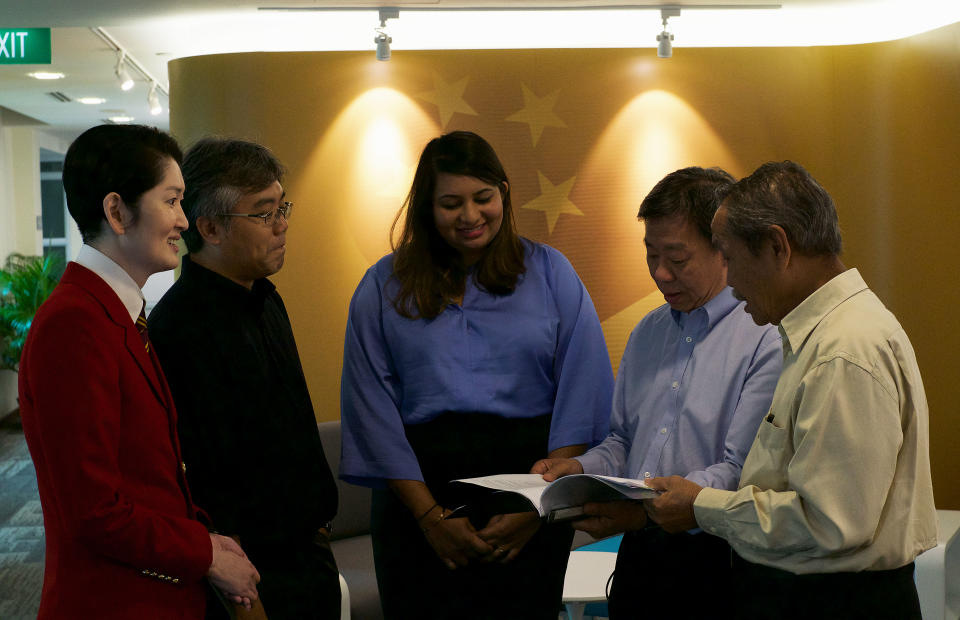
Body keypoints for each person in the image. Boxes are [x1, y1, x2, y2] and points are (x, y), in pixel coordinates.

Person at [339, 130, 613, 619]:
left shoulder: (551, 272)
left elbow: (583, 392)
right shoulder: (384, 284)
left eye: (482, 198)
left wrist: (536, 509)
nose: (469, 216)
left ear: (503, 193)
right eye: (450, 203)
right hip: (417, 500)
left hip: (531, 491)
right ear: (426, 206)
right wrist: (429, 518)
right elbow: (371, 408)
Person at [646, 161, 938, 619]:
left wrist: (702, 505)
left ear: (778, 246)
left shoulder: (843, 350)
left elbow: (830, 523)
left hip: (834, 601)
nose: (730, 278)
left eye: (729, 256)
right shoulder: (826, 334)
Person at [17, 124, 260, 619]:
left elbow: (147, 476)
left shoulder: (112, 310)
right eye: (172, 201)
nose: (184, 222)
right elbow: (94, 510)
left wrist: (207, 539)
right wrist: (205, 554)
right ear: (116, 211)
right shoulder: (75, 323)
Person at [532, 166, 782, 619]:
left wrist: (646, 511)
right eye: (651, 255)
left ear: (723, 248)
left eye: (677, 258)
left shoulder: (763, 334)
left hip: (721, 562)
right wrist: (580, 467)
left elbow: (742, 472)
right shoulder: (648, 331)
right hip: (639, 560)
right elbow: (624, 441)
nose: (661, 274)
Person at [148, 137, 341, 619]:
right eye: (264, 213)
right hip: (249, 573)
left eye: (282, 207)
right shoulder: (180, 326)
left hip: (307, 551)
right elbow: (203, 471)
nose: (282, 225)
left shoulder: (265, 297)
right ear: (210, 227)